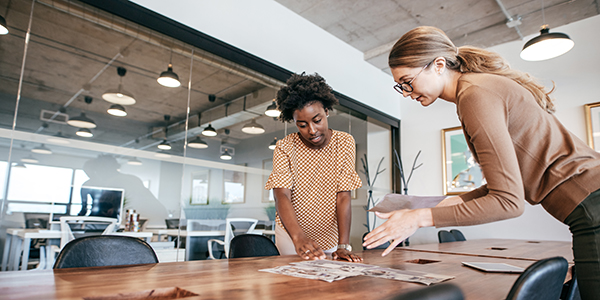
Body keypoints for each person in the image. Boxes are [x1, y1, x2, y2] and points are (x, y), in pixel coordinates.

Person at [362, 26, 600, 299]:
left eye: (407, 81)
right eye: (400, 85)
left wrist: (419, 218)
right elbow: (506, 187)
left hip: (592, 206)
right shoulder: (477, 89)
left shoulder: (475, 95)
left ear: (438, 65)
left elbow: (509, 202)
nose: (405, 92)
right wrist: (430, 205)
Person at [265, 72, 363, 262]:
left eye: (317, 120)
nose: (311, 130)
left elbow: (343, 195)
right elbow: (281, 195)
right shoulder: (285, 146)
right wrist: (298, 237)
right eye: (302, 125)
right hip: (291, 235)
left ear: (326, 111)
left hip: (330, 236)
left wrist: (343, 245)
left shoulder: (344, 142)